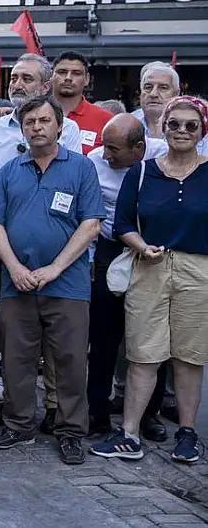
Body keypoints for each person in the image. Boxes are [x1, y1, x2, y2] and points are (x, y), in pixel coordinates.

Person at [0, 96, 104, 465]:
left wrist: (55, 268)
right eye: (29, 122)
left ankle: (70, 432)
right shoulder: (9, 171)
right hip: (16, 282)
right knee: (16, 360)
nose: (36, 127)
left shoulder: (81, 168)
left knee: (69, 360)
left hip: (67, 284)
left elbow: (91, 224)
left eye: (43, 121)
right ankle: (18, 426)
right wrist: (14, 268)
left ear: (59, 125)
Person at [91, 96, 208, 464]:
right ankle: (129, 433)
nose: (182, 132)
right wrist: (141, 246)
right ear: (164, 127)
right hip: (148, 266)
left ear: (202, 130)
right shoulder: (142, 172)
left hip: (197, 269)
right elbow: (121, 223)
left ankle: (187, 434)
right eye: (175, 124)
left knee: (188, 355)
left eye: (191, 125)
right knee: (143, 353)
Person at [83, 114, 169, 442]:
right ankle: (97, 412)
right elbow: (89, 213)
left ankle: (149, 414)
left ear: (139, 149)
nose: (106, 154)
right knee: (103, 340)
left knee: (149, 340)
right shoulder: (94, 161)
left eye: (114, 149)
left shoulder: (161, 156)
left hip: (153, 254)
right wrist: (90, 261)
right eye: (105, 146)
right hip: (109, 252)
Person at [0, 54, 84, 169]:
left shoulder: (67, 128)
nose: (17, 85)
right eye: (14, 79)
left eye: (27, 79)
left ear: (45, 87)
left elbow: (73, 174)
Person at [52, 51, 112, 155]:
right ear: (51, 75)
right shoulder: (35, 114)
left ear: (87, 79)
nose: (68, 78)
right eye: (62, 72)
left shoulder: (105, 120)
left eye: (76, 73)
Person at [133, 62, 181, 140]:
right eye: (148, 87)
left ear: (176, 94)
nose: (153, 94)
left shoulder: (190, 127)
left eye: (163, 88)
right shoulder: (126, 124)